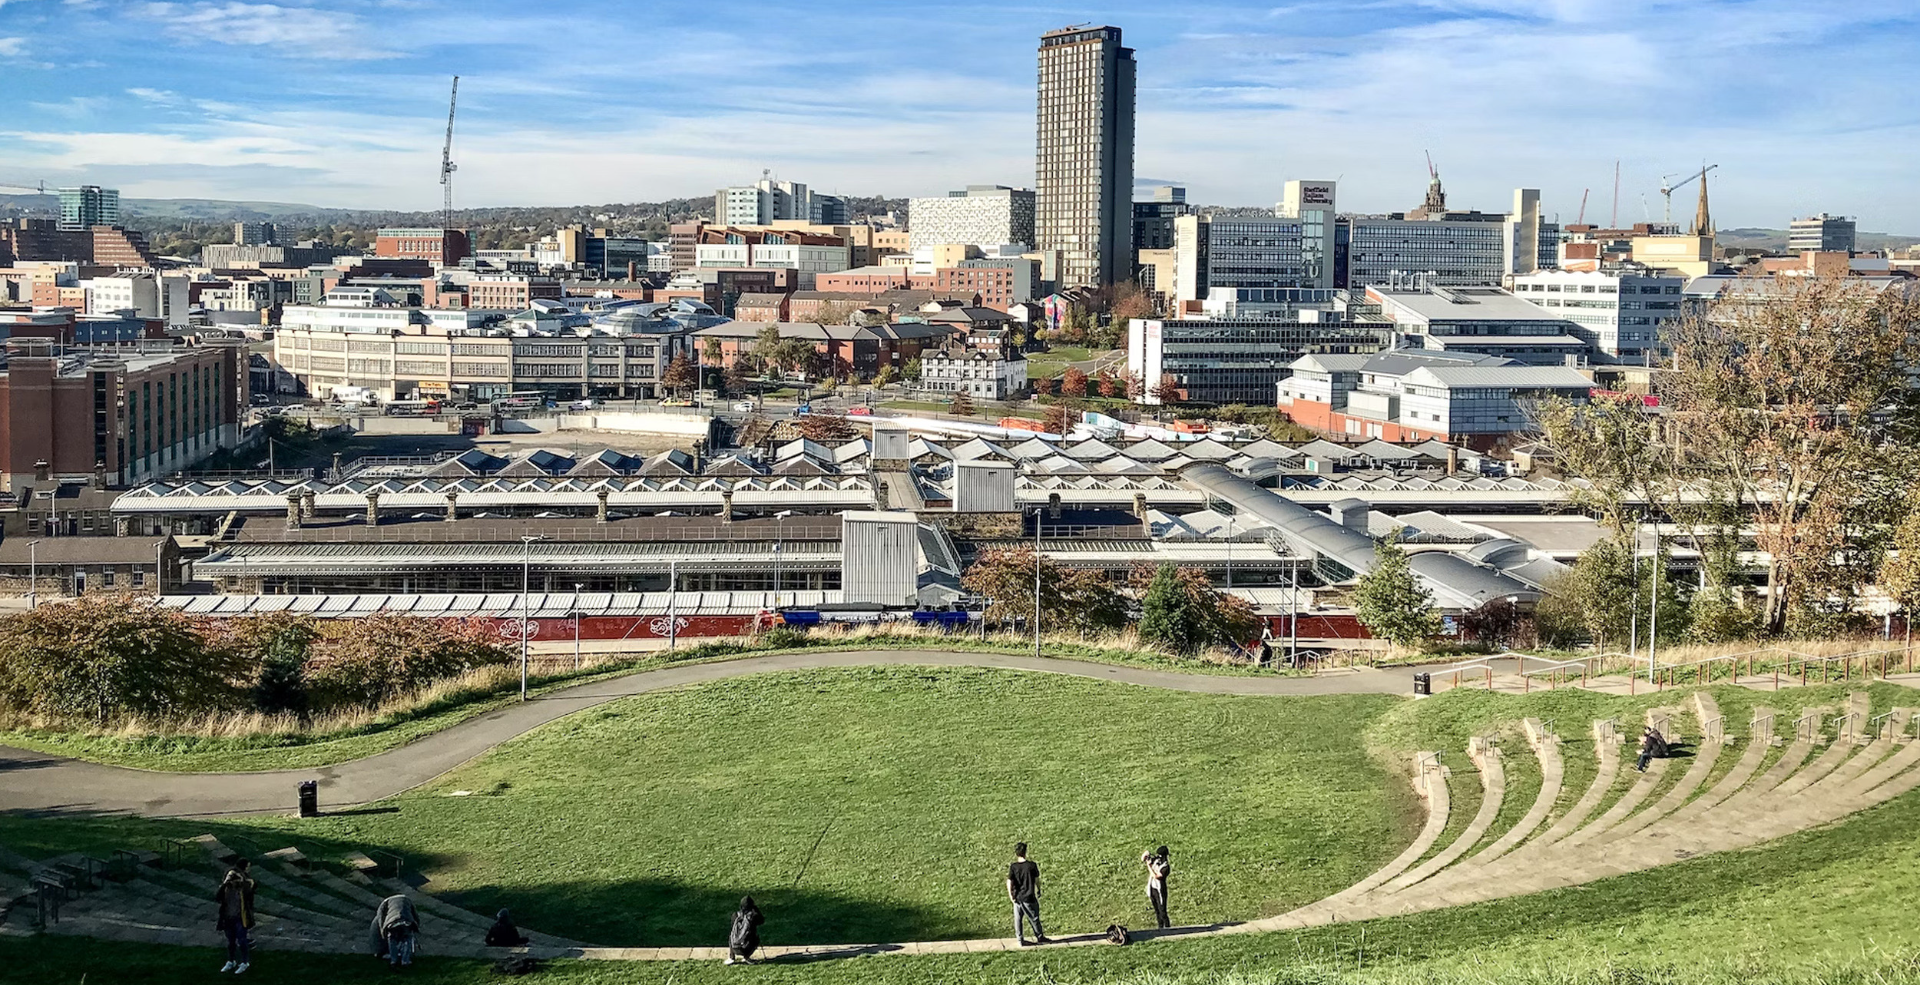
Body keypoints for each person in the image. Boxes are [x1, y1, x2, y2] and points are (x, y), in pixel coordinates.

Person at [214, 858, 255, 974]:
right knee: (230, 941)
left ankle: (245, 962)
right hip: (228, 918)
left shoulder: (245, 887)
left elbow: (251, 890)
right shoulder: (226, 889)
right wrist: (225, 883)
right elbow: (217, 897)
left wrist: (243, 881)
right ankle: (231, 961)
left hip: (240, 918)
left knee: (242, 941)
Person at [1007, 842, 1049, 946]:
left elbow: (1009, 881)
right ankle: (1040, 936)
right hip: (1029, 896)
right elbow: (1036, 880)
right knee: (1034, 917)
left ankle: (1020, 939)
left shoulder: (1013, 867)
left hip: (1017, 897)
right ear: (1025, 852)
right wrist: (1039, 889)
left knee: (1018, 919)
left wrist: (1011, 895)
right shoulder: (1031, 866)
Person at [370, 894, 421, 968]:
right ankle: (405, 961)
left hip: (392, 923)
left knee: (392, 940)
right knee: (407, 940)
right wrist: (416, 926)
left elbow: (380, 917)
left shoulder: (385, 903)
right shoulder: (407, 900)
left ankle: (393, 961)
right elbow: (415, 914)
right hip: (406, 921)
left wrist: (382, 930)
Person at [725, 896, 764, 965]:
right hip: (746, 947)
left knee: (732, 934)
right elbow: (761, 921)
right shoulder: (752, 916)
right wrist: (756, 909)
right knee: (755, 937)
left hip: (734, 946)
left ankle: (732, 957)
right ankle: (746, 957)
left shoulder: (735, 915)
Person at [1142, 846, 1172, 929]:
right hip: (1153, 888)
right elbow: (1144, 859)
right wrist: (1146, 855)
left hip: (1160, 889)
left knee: (1162, 911)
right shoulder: (1156, 860)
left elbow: (1156, 876)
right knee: (1157, 911)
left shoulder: (1166, 867)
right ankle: (1160, 927)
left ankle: (1167, 928)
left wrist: (1149, 866)